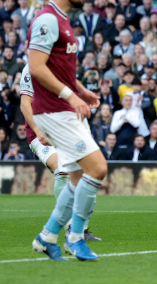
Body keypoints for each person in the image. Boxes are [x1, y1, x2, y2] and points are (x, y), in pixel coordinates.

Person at [29, 0, 105, 261]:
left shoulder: (62, 19)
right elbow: (36, 67)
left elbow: (60, 69)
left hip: (64, 106)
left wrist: (81, 90)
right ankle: (75, 237)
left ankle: (48, 236)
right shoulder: (47, 19)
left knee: (75, 178)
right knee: (96, 169)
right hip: (53, 109)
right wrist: (70, 96)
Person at [20, 65, 101, 241]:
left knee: (90, 172)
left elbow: (70, 85)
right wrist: (38, 131)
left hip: (65, 128)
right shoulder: (32, 67)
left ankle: (81, 229)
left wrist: (83, 94)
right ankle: (68, 228)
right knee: (62, 170)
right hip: (40, 131)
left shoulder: (63, 60)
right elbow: (25, 103)